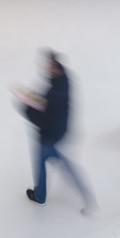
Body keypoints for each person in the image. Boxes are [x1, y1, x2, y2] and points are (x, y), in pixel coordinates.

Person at [19, 51, 94, 212]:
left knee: (51, 164)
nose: (48, 69)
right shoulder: (63, 80)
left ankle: (41, 196)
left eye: (50, 67)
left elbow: (42, 113)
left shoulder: (56, 94)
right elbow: (45, 103)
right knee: (53, 164)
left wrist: (27, 106)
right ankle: (83, 196)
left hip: (49, 135)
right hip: (58, 132)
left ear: (57, 68)